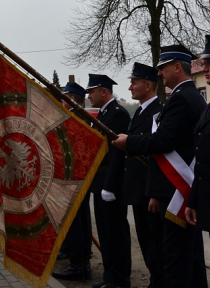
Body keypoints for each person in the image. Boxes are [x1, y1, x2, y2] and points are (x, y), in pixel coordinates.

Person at [113, 45, 208, 288]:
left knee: (175, 261)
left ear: (177, 67)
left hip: (176, 191)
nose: (160, 74)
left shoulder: (182, 98)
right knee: (189, 258)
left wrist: (129, 143)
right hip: (177, 188)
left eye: (163, 68)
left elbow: (163, 141)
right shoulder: (189, 96)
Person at [87, 74, 131, 288]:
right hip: (100, 180)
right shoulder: (104, 114)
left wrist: (110, 185)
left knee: (115, 233)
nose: (89, 95)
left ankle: (119, 279)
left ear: (103, 91)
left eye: (92, 91)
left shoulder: (118, 114)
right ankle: (109, 277)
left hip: (110, 183)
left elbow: (117, 154)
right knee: (105, 232)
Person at [122, 63, 163, 288]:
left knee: (154, 243)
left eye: (134, 83)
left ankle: (159, 282)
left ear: (148, 85)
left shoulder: (157, 112)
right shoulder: (140, 111)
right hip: (139, 191)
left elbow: (156, 154)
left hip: (149, 191)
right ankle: (155, 280)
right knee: (147, 243)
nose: (130, 87)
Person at [52, 82, 92, 281]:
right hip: (71, 179)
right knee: (73, 223)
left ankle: (79, 265)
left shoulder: (78, 119)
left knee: (78, 224)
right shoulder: (71, 117)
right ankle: (74, 257)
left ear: (72, 99)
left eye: (65, 97)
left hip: (77, 181)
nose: (62, 101)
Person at [186, 35, 210, 232]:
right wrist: (194, 200)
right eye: (204, 63)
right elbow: (201, 162)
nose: (204, 69)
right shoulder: (208, 109)